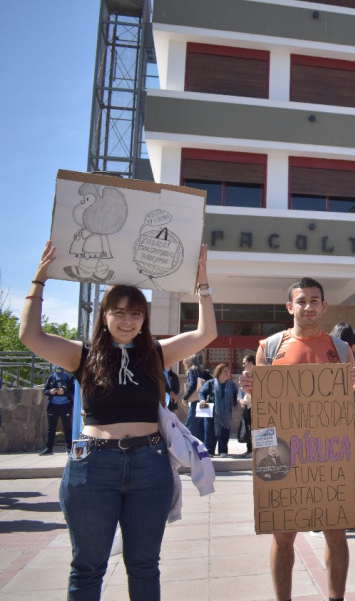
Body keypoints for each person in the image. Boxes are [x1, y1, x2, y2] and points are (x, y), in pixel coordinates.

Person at [19, 241, 216, 600]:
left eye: (136, 314)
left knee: (144, 565)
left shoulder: (155, 354)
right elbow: (30, 335)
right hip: (93, 466)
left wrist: (203, 284)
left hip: (149, 464)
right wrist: (39, 280)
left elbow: (206, 335)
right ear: (104, 314)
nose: (128, 321)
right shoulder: (83, 354)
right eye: (119, 312)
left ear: (144, 319)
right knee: (88, 566)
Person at [239, 277, 355, 601]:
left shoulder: (340, 348)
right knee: (283, 535)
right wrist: (253, 394)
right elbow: (262, 411)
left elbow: (346, 407)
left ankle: (336, 597)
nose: (307, 307)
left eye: (314, 300)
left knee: (336, 531)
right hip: (279, 451)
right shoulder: (269, 347)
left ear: (324, 306)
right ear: (289, 306)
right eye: (301, 300)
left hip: (327, 453)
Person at [331, 322, 355, 500]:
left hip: (330, 414)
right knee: (352, 451)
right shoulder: (354, 359)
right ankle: (354, 487)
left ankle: (341, 488)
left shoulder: (328, 356)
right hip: (351, 413)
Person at [198, 363, 238, 456]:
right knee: (210, 432)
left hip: (226, 413)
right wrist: (202, 400)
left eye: (228, 371)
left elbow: (236, 394)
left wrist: (235, 403)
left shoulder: (231, 385)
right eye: (225, 371)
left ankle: (223, 451)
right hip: (212, 413)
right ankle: (209, 450)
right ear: (219, 373)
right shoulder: (210, 383)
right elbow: (201, 393)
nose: (227, 373)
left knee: (224, 432)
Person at [40, 365, 76, 455]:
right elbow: (45, 391)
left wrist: (64, 392)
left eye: (60, 374)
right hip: (53, 406)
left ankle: (69, 448)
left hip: (65, 405)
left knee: (67, 427)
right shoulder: (51, 378)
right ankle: (49, 449)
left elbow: (73, 391)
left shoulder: (68, 378)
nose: (59, 376)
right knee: (51, 428)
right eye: (57, 373)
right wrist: (50, 391)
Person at [181, 355, 211, 440]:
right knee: (200, 426)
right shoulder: (201, 370)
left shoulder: (192, 370)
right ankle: (201, 449)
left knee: (191, 425)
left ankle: (189, 446)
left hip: (195, 401)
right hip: (203, 400)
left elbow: (193, 384)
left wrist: (185, 397)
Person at [237, 354, 255, 457]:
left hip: (255, 406)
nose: (243, 365)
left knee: (254, 428)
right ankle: (249, 449)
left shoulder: (257, 374)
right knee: (248, 428)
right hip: (247, 406)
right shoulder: (245, 375)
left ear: (250, 363)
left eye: (244, 363)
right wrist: (240, 400)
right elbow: (241, 391)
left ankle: (254, 450)